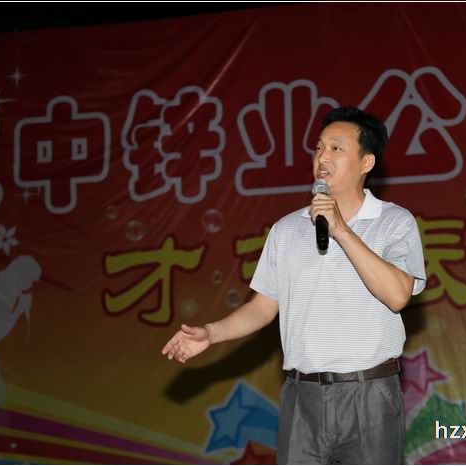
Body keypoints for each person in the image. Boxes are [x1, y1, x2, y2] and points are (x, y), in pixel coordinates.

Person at [162, 107, 426, 464]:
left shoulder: (394, 221)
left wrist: (341, 231)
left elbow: (397, 296)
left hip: (369, 394)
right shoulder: (286, 230)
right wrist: (211, 333)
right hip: (302, 396)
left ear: (366, 162)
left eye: (336, 148)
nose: (322, 157)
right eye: (319, 148)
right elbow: (261, 308)